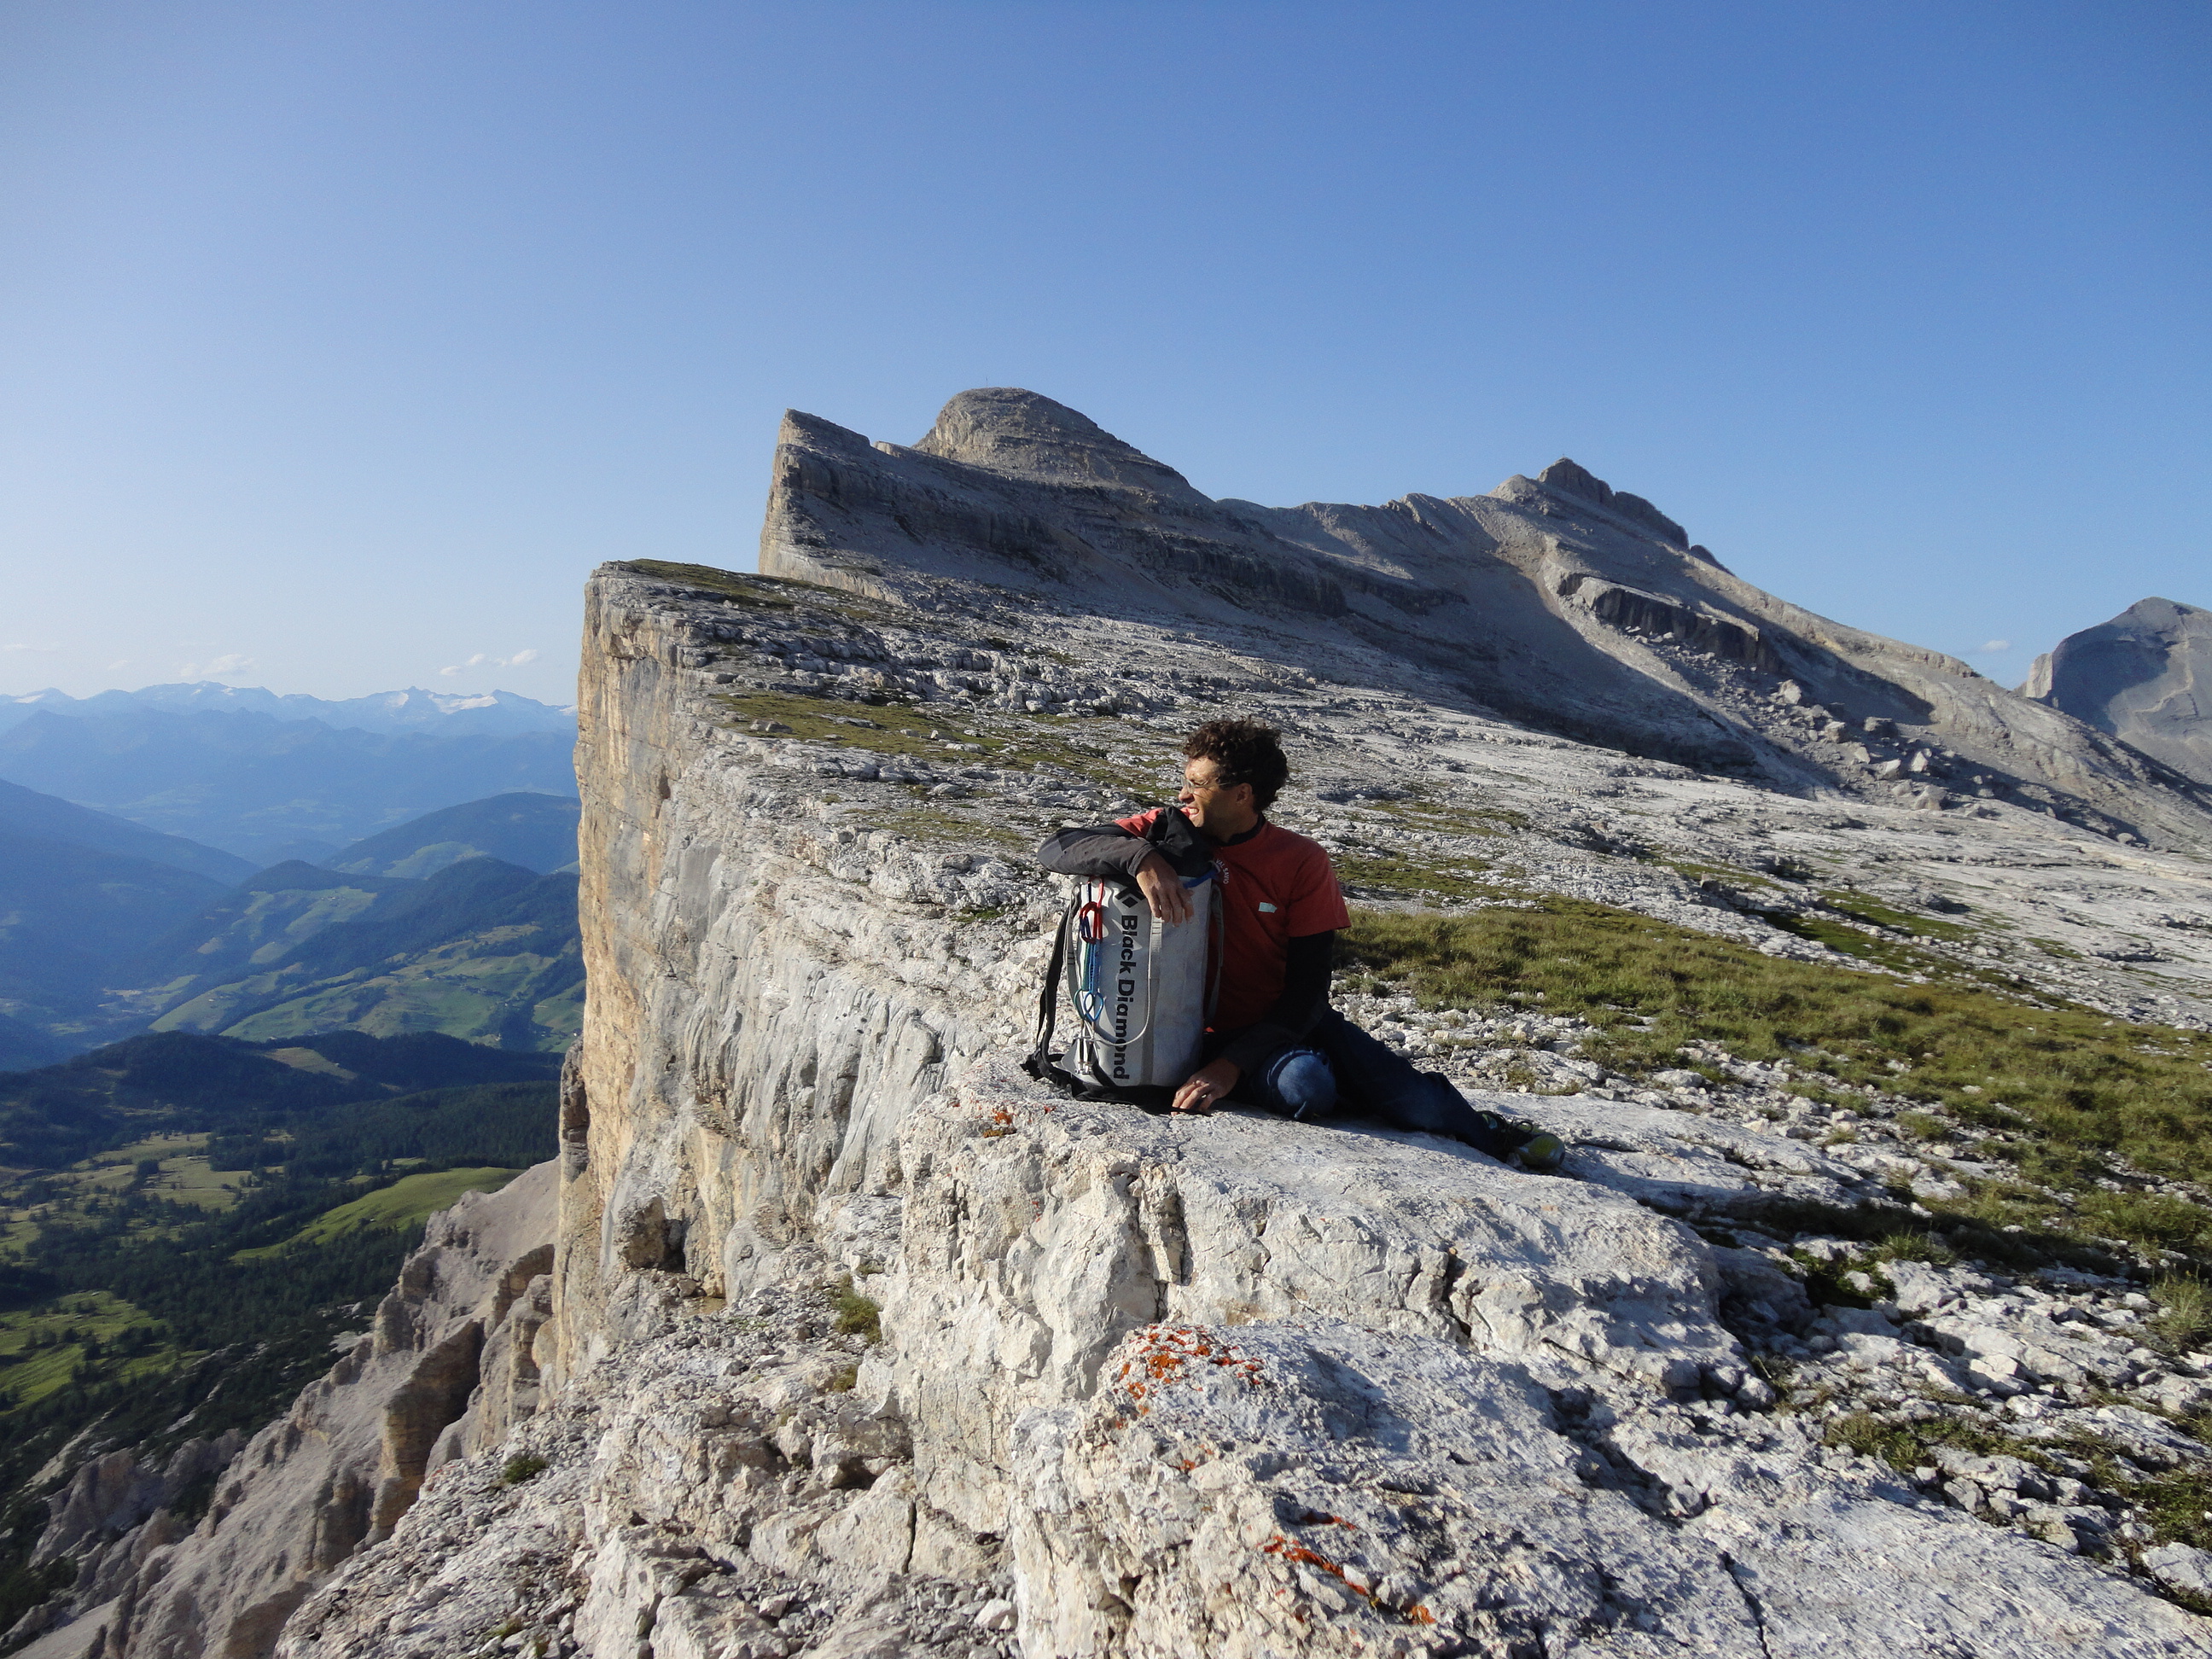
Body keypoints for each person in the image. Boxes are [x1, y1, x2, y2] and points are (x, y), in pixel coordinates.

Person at [1036, 718, 1565, 1172]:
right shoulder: (1164, 830)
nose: (1182, 795)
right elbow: (1058, 845)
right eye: (1184, 781)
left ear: (1242, 793)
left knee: (1361, 1093)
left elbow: (1310, 990)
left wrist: (1231, 1065)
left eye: (1197, 784)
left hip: (1270, 1025)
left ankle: (1493, 1134)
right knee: (1310, 1087)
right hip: (1178, 1027)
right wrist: (1141, 859)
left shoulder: (1300, 861)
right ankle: (1288, 1075)